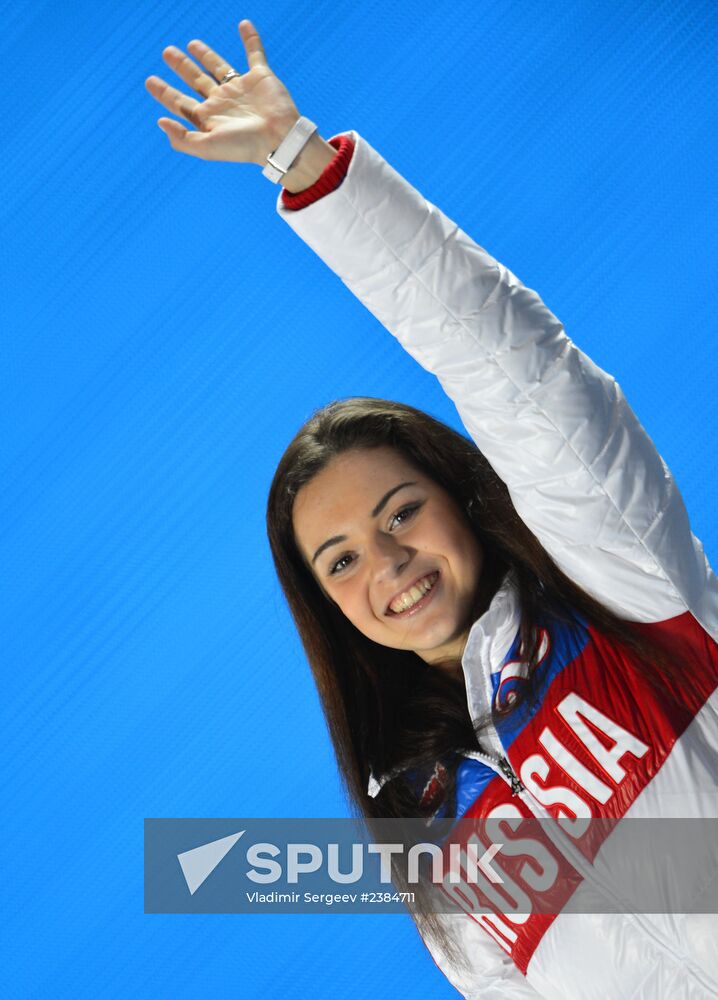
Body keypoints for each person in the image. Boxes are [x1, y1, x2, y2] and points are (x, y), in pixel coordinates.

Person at [146, 20, 718, 999]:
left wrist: (303, 163)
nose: (386, 564)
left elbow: (516, 369)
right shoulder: (428, 839)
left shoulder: (621, 588)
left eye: (398, 513)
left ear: (461, 492)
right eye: (339, 561)